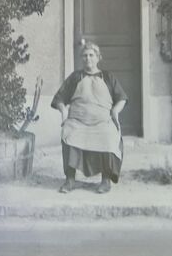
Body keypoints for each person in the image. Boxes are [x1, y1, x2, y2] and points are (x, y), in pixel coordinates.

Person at [51, 42, 127, 194]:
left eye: (91, 55)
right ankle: (70, 180)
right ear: (81, 59)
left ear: (98, 57)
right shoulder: (75, 77)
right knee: (69, 132)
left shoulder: (108, 77)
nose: (88, 59)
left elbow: (122, 98)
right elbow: (59, 98)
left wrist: (115, 111)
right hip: (77, 121)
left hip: (101, 122)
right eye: (85, 56)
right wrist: (64, 112)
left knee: (109, 134)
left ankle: (105, 181)